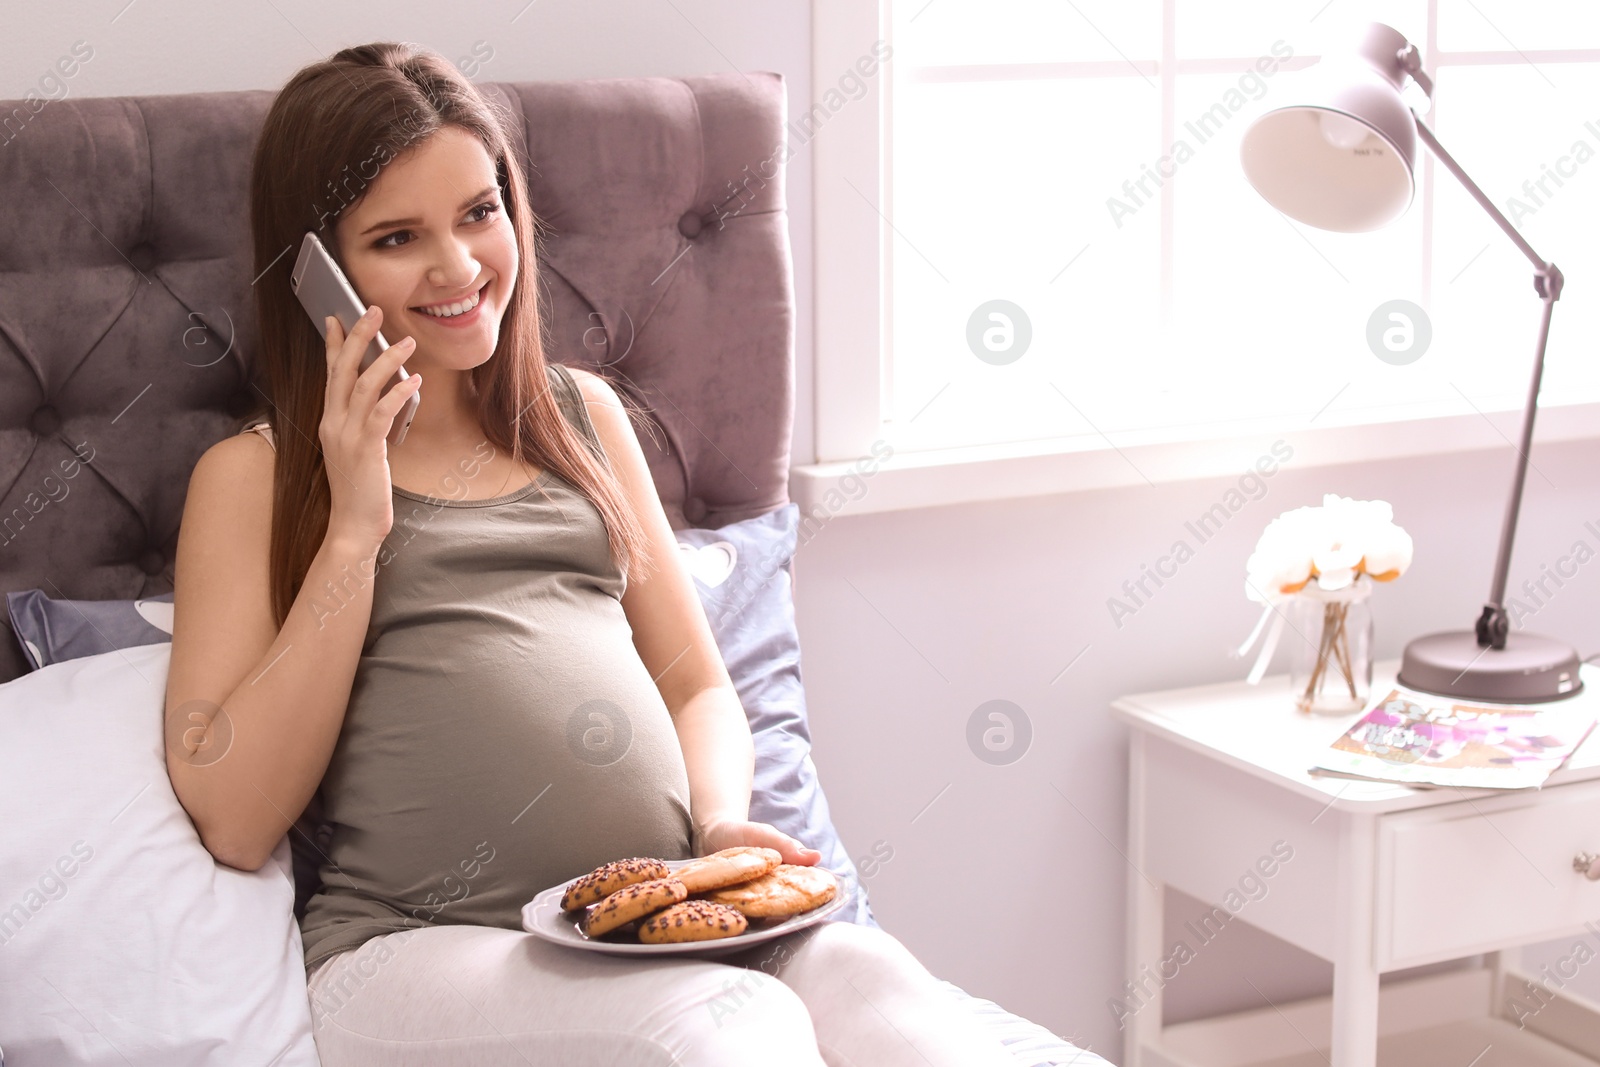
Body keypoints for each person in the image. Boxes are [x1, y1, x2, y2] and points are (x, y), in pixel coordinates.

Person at [165, 41, 1020, 1066]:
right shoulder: (255, 477)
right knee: (728, 1030)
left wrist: (715, 830)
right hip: (412, 953)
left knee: (869, 975)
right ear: (318, 272)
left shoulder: (578, 417)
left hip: (644, 930)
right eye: (397, 237)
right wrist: (358, 522)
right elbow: (233, 816)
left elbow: (698, 683)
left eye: (479, 213)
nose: (458, 266)